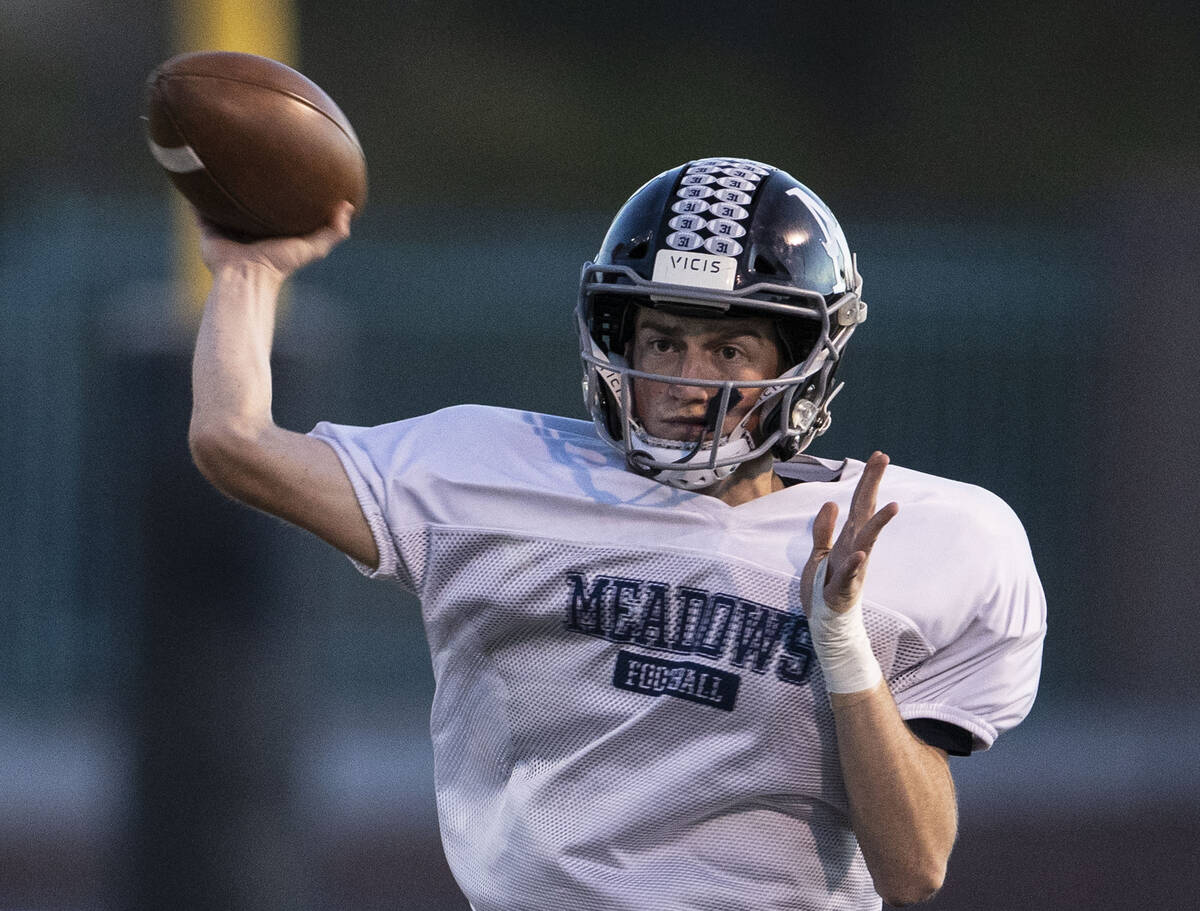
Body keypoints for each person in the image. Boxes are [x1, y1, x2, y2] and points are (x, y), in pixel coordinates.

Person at [188, 157, 1046, 910]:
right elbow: (236, 442)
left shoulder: (913, 538)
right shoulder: (498, 478)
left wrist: (844, 644)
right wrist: (250, 273)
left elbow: (914, 870)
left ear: (797, 364)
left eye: (730, 351)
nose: (684, 380)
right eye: (664, 341)